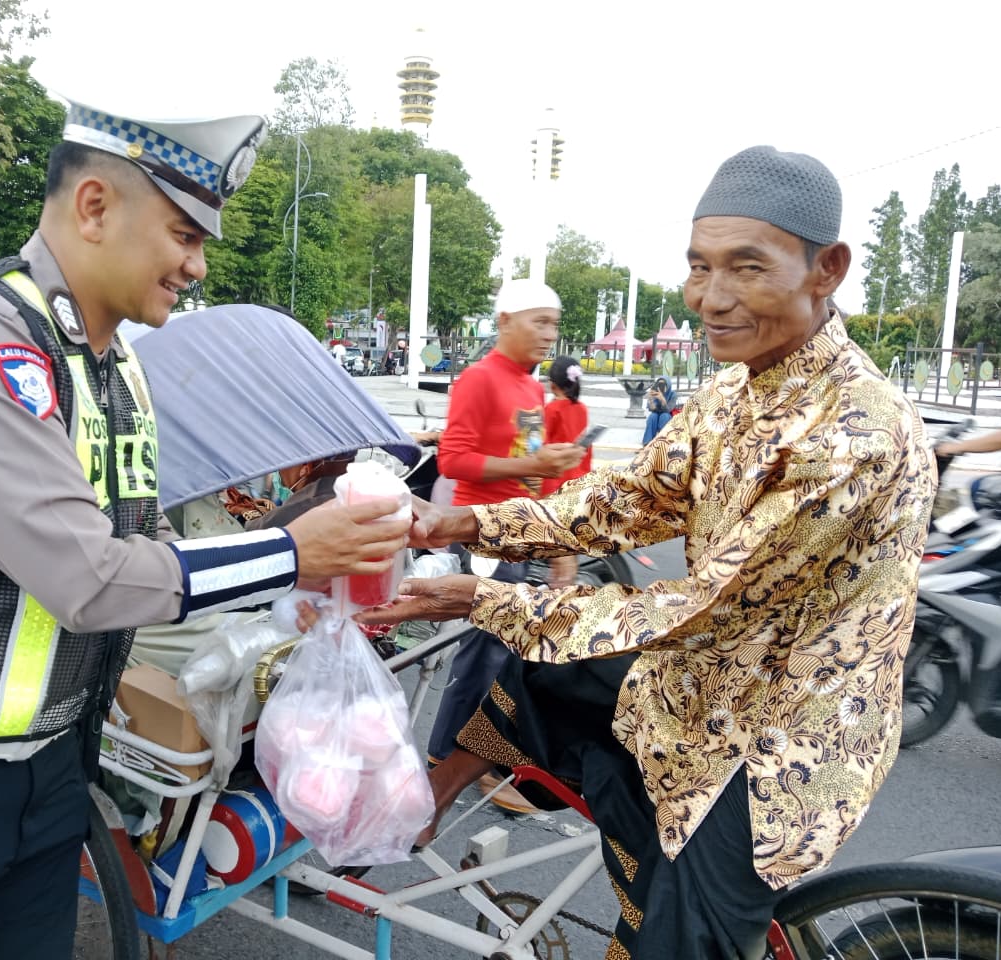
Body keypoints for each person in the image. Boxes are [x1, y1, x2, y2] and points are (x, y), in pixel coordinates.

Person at [0, 99, 410, 960]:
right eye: (183, 233)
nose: (197, 265)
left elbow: (151, 554)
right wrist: (294, 552)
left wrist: (334, 548)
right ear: (95, 206)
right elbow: (89, 577)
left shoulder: (110, 365)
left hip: (44, 775)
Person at [358, 146, 936, 959]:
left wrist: (480, 596)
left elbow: (698, 606)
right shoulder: (732, 390)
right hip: (707, 670)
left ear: (826, 269)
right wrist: (462, 529)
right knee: (539, 665)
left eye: (747, 267)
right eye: (700, 268)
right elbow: (624, 501)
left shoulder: (855, 436)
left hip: (780, 736)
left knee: (678, 937)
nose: (713, 297)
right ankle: (430, 796)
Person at [426, 278, 583, 813]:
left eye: (554, 324)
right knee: (486, 653)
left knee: (511, 649)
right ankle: (446, 761)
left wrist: (557, 540)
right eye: (539, 321)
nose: (549, 334)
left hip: (520, 531)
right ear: (504, 322)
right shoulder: (480, 379)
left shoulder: (529, 386)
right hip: (482, 530)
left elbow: (530, 469)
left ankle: (479, 759)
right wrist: (530, 466)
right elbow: (454, 461)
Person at [542, 356, 591, 589]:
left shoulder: (551, 409)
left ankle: (557, 592)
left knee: (555, 548)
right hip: (578, 482)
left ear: (552, 383)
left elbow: (539, 448)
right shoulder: (581, 409)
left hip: (554, 485)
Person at [640, 375, 678, 444]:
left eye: (663, 384)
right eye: (659, 384)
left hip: (667, 415)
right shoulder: (655, 392)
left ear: (668, 385)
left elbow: (668, 409)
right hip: (656, 414)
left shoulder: (673, 394)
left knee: (664, 416)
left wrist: (662, 399)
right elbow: (652, 409)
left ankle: (662, 441)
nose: (661, 386)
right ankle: (647, 442)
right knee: (652, 416)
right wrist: (650, 400)